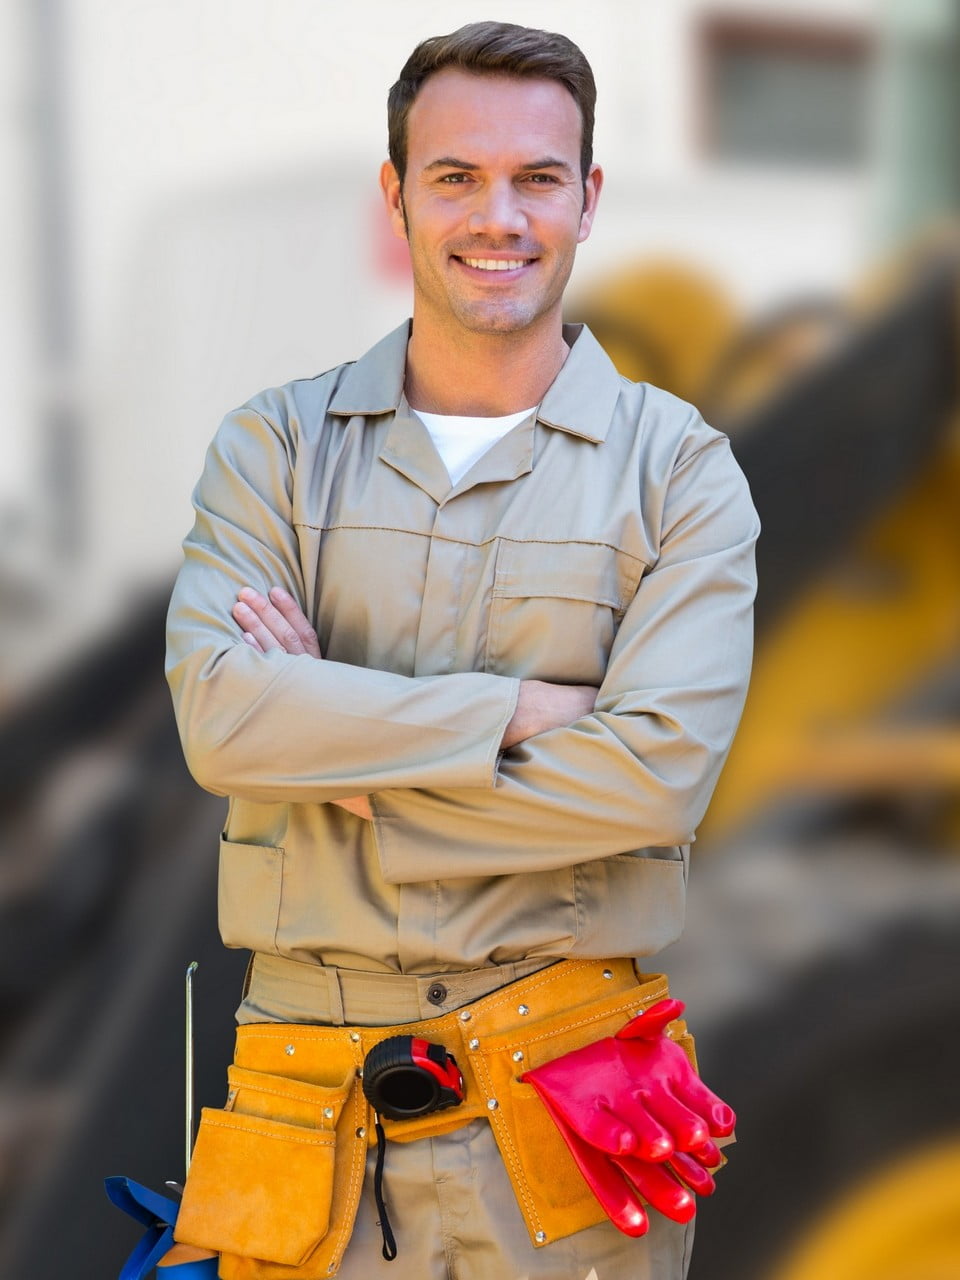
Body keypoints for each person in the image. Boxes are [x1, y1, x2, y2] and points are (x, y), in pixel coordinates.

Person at [165, 20, 759, 1280]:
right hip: (304, 1110)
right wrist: (522, 714)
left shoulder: (683, 474)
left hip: (573, 1108)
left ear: (589, 199)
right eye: (455, 176)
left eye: (538, 177)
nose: (501, 216)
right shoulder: (272, 450)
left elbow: (655, 778)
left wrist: (346, 765)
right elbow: (222, 718)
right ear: (396, 198)